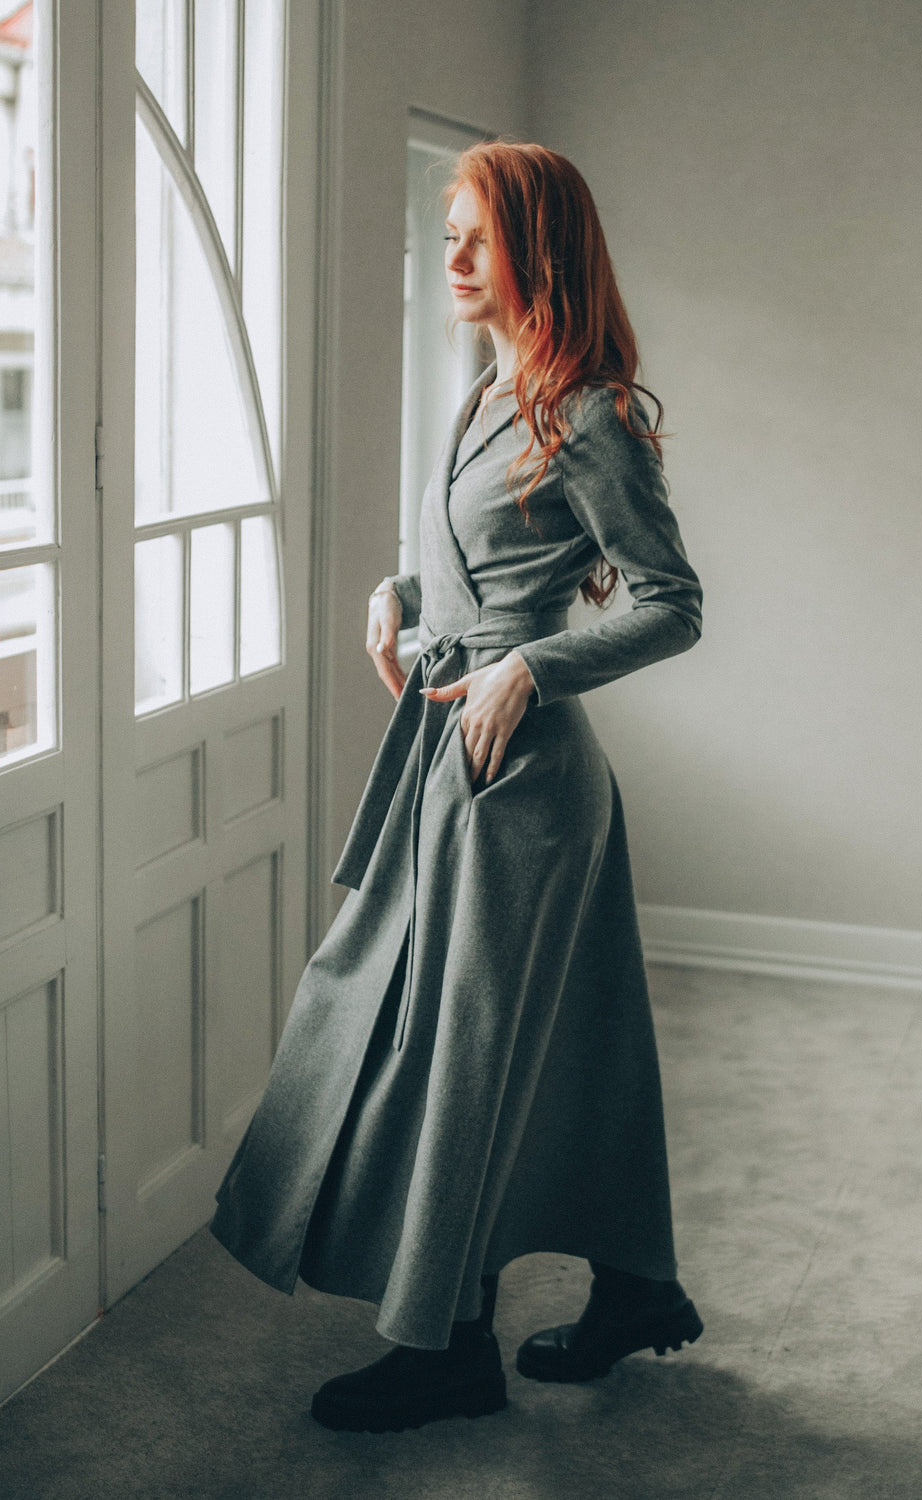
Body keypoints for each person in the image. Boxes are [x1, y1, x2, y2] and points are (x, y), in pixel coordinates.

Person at [209, 140, 704, 1434]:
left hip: (522, 783)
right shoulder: (491, 388)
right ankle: (637, 1286)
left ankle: (448, 1347)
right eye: (449, 234)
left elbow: (672, 603)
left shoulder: (589, 414)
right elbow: (481, 563)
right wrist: (401, 594)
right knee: (581, 1047)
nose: (455, 258)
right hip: (457, 759)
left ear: (540, 249)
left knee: (454, 1057)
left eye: (479, 235)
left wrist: (528, 667)